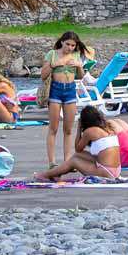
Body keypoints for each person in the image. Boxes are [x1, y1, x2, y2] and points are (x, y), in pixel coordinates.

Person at [32, 107, 128, 181]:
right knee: (81, 155)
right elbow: (82, 152)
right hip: (124, 158)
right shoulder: (107, 129)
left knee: (74, 159)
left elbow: (78, 148)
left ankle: (46, 175)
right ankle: (57, 173)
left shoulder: (90, 131)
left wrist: (79, 128)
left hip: (117, 164)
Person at [40, 30, 88, 165]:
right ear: (62, 42)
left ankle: (67, 161)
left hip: (70, 90)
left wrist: (79, 66)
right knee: (53, 128)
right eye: (68, 44)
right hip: (55, 89)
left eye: (73, 45)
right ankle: (52, 162)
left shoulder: (76, 55)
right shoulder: (52, 54)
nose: (70, 48)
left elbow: (81, 76)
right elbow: (43, 75)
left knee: (68, 129)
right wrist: (54, 64)